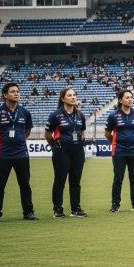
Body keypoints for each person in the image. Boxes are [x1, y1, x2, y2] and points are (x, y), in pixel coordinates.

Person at [0, 82, 37, 222]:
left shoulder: (25, 112)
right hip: (3, 154)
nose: (16, 94)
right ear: (5, 95)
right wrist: (1, 144)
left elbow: (27, 131)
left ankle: (28, 212)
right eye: (13, 91)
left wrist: (19, 141)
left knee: (25, 184)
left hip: (21, 154)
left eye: (17, 91)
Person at [44, 87, 88, 218]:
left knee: (75, 181)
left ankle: (76, 209)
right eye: (70, 95)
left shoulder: (80, 115)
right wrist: (56, 146)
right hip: (61, 152)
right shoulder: (55, 115)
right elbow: (47, 134)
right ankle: (58, 209)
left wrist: (80, 143)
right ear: (63, 98)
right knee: (60, 181)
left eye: (74, 95)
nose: (73, 97)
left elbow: (82, 132)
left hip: (78, 152)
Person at [105, 90, 134, 213]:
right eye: (127, 97)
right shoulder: (113, 115)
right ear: (120, 100)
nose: (130, 99)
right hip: (119, 152)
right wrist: (118, 142)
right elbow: (107, 134)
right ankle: (115, 205)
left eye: (131, 97)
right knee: (118, 178)